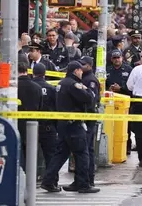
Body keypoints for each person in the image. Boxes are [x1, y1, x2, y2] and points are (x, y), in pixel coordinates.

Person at [41, 61, 99, 193]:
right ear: (75, 71)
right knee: (82, 153)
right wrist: (87, 89)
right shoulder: (74, 85)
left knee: (60, 154)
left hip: (63, 124)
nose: (81, 72)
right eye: (80, 70)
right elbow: (89, 98)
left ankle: (48, 181)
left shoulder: (61, 83)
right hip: (74, 125)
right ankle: (83, 184)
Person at [32, 63, 58, 179]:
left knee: (29, 154)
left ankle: (30, 179)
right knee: (51, 156)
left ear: (33, 73)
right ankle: (51, 181)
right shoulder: (51, 89)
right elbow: (57, 108)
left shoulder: (29, 87)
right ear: (45, 74)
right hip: (48, 127)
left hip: (30, 127)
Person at [106, 50, 133, 154]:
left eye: (118, 57)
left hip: (124, 102)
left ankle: (127, 147)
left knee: (126, 126)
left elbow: (131, 86)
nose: (117, 60)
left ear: (122, 58)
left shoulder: (128, 69)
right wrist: (109, 88)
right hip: (111, 102)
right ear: (112, 59)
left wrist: (121, 88)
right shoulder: (108, 70)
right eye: (115, 58)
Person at [17, 62, 43, 170]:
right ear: (27, 71)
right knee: (30, 152)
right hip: (33, 124)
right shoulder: (37, 87)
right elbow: (41, 107)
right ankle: (30, 175)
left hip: (17, 123)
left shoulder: (13, 87)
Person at [79, 56, 100, 187]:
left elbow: (91, 100)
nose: (81, 67)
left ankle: (88, 178)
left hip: (88, 118)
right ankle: (84, 178)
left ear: (90, 66)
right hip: (86, 117)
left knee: (87, 149)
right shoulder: (84, 78)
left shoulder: (90, 80)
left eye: (84, 65)